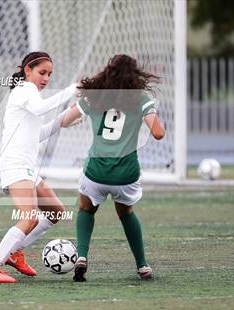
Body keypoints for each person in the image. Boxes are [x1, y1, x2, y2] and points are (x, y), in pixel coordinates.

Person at [60, 54, 166, 281]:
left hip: (96, 171)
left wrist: (75, 111)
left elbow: (64, 121)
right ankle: (142, 265)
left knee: (86, 209)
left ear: (108, 72)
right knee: (126, 213)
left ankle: (82, 256)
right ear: (134, 75)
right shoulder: (141, 98)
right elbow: (158, 133)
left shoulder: (94, 97)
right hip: (125, 174)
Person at [0, 51, 77, 283]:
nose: (46, 78)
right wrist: (72, 89)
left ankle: (14, 251)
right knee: (29, 217)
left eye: (50, 74)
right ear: (27, 71)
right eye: (42, 72)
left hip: (28, 167)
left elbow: (40, 133)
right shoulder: (25, 89)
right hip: (15, 165)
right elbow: (41, 109)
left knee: (55, 212)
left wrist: (68, 115)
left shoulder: (28, 95)